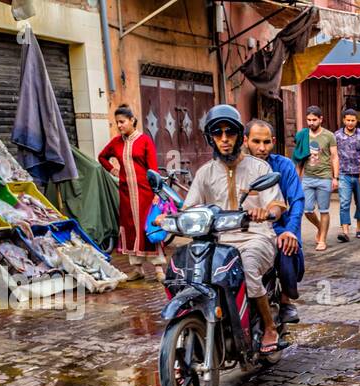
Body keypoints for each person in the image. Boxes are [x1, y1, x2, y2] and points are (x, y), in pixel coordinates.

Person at [181, 104, 286, 355]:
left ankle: (269, 326)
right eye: (218, 134)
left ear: (240, 136)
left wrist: (266, 211)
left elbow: (276, 204)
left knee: (247, 267)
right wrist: (170, 218)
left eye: (230, 133)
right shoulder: (205, 173)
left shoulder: (259, 168)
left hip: (255, 237)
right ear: (211, 138)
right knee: (186, 271)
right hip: (216, 242)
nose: (225, 139)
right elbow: (190, 207)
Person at [246, 118, 304, 326]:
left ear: (273, 141)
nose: (262, 148)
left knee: (286, 247)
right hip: (244, 228)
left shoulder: (284, 165)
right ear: (245, 141)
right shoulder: (238, 167)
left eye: (266, 142)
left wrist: (290, 230)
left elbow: (296, 200)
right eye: (256, 142)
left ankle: (286, 300)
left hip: (277, 226)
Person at [98, 104, 165, 281]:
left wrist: (156, 192)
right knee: (130, 228)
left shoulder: (144, 141)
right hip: (126, 194)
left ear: (132, 120)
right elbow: (102, 157)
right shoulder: (116, 143)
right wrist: (113, 170)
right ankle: (137, 269)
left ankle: (158, 268)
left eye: (122, 122)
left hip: (145, 193)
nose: (119, 125)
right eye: (117, 122)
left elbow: (153, 168)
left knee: (148, 227)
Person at [294, 105, 336, 252]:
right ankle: (320, 227)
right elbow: (299, 159)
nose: (311, 123)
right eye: (308, 120)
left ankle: (322, 240)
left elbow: (334, 156)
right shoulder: (302, 135)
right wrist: (296, 180)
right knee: (307, 210)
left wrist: (335, 177)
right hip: (308, 177)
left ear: (320, 119)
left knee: (324, 210)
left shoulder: (329, 136)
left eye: (314, 120)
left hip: (324, 177)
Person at [334, 108, 360, 242]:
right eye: (348, 120)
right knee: (344, 203)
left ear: (356, 121)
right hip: (344, 174)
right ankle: (345, 232)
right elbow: (334, 155)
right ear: (343, 120)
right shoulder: (336, 135)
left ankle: (359, 229)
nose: (350, 123)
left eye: (353, 120)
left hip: (359, 174)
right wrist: (334, 175)